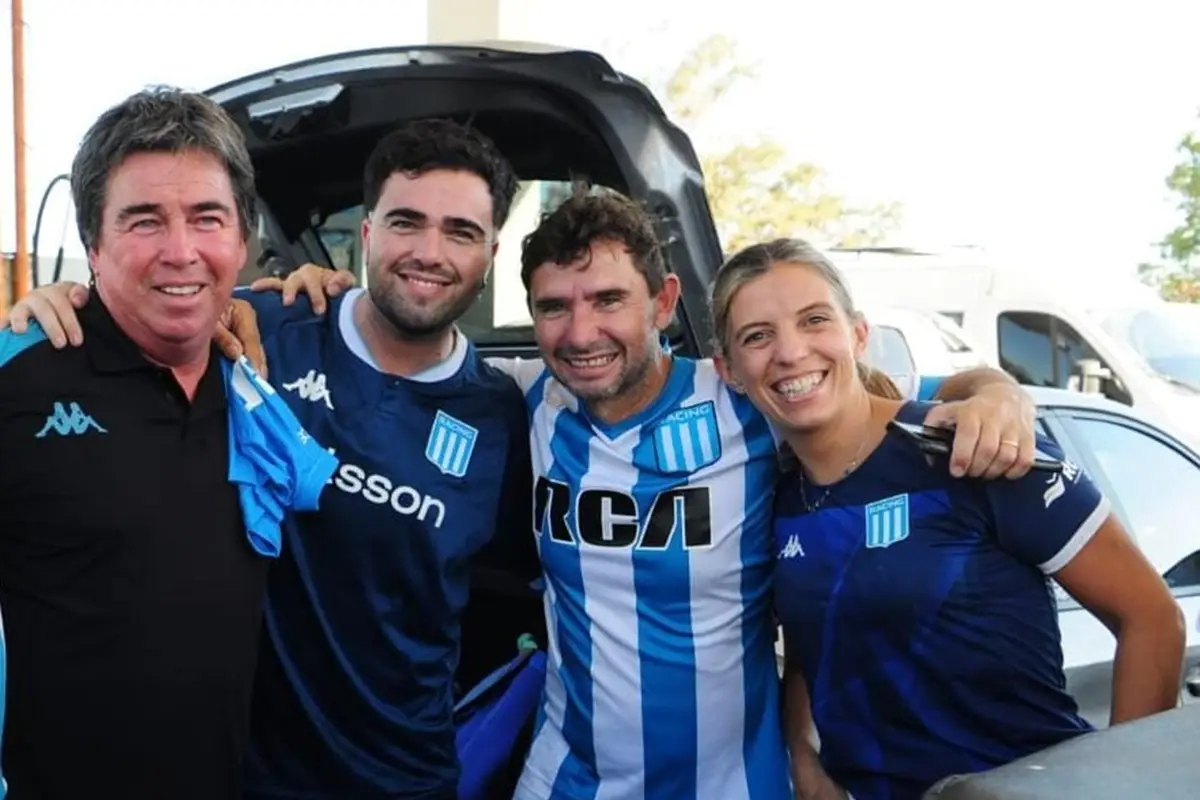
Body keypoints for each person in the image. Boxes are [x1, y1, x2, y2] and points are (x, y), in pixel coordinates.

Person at [6, 192, 1035, 798]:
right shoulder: (526, 407)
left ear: (665, 303)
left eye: (609, 300)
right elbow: (221, 318)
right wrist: (79, 304)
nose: (582, 329)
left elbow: (861, 403)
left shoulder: (741, 402)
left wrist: (992, 389)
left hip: (737, 783)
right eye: (553, 306)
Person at [2, 118, 543, 799]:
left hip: (406, 779)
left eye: (460, 232)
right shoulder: (270, 333)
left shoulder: (507, 414)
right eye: (405, 222)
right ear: (369, 234)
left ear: (490, 252)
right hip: (253, 774)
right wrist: (47, 311)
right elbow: (158, 307)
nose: (428, 252)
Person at [709, 238, 1187, 800]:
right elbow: (813, 641)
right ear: (729, 370)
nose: (790, 352)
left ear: (858, 335)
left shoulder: (970, 447)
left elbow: (1153, 618)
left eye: (814, 320)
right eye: (757, 336)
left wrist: (1121, 788)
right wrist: (804, 756)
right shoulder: (776, 496)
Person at [0, 87, 337, 799]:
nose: (180, 251)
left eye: (207, 218)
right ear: (93, 243)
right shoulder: (19, 377)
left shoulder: (259, 373)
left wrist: (320, 279)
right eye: (144, 221)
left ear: (242, 241)